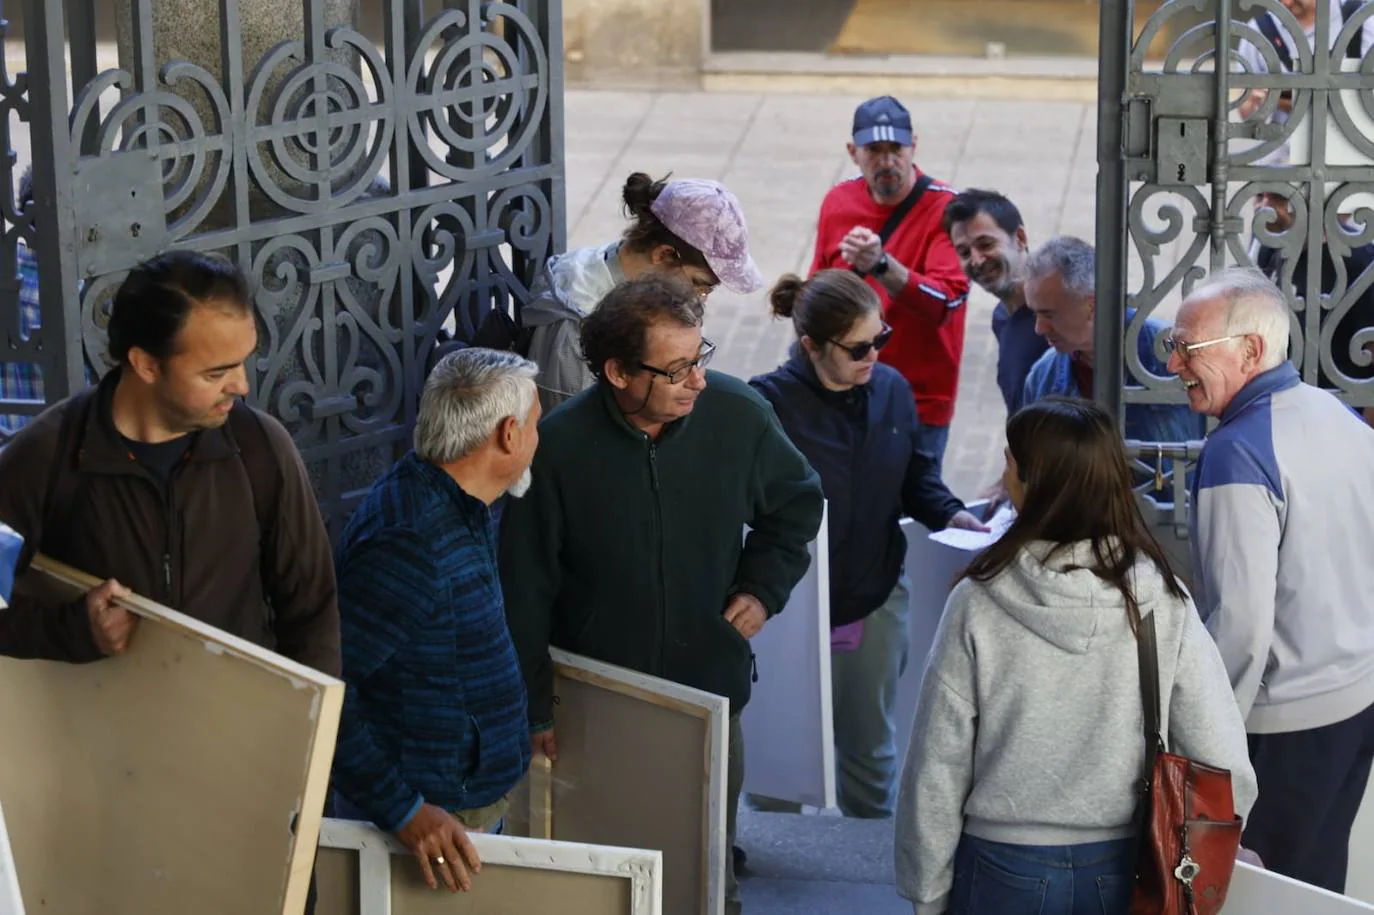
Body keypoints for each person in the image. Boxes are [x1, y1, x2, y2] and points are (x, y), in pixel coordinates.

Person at [500, 276, 824, 915]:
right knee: (601, 883)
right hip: (598, 705)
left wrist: (762, 590)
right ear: (618, 372)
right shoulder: (559, 446)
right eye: (676, 370)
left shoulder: (739, 414)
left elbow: (797, 503)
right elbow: (525, 584)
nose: (698, 382)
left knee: (705, 882)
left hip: (709, 697)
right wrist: (538, 709)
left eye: (700, 358)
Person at [895, 397, 1257, 915]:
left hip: (1001, 862)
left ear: (1036, 483)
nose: (1004, 475)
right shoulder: (1159, 599)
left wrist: (926, 888)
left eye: (1010, 462)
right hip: (1128, 860)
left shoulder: (978, 601)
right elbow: (1219, 751)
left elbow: (938, 759)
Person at [0, 249, 339, 675]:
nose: (243, 386)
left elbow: (313, 614)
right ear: (146, 364)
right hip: (98, 733)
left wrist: (307, 734)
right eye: (215, 374)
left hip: (235, 728)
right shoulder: (49, 454)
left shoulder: (261, 448)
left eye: (243, 362)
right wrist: (73, 631)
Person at [749, 269, 986, 820]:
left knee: (871, 750)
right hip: (785, 613)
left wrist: (951, 512)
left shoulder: (893, 390)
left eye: (881, 339)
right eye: (858, 347)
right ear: (811, 345)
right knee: (780, 755)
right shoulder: (766, 406)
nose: (874, 355)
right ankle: (772, 876)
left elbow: (916, 474)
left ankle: (870, 871)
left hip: (874, 598)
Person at [1169, 266, 1374, 893]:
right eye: (1171, 345)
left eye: (1187, 348)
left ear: (1250, 351)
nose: (1174, 364)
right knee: (1317, 886)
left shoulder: (1238, 450)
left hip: (1281, 724)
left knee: (1266, 894)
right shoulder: (1332, 413)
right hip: (1356, 699)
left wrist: (1204, 748)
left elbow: (1240, 625)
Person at [332, 348, 540, 894]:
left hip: (458, 804)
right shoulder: (410, 543)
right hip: (429, 829)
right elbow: (328, 685)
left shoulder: (454, 499)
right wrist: (403, 810)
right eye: (537, 424)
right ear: (510, 435)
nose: (542, 438)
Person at [809, 95, 969, 473]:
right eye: (874, 150)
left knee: (909, 516)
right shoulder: (837, 201)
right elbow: (817, 292)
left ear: (914, 145)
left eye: (896, 148)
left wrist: (881, 265)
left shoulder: (948, 210)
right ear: (853, 152)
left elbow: (944, 304)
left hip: (918, 402)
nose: (887, 161)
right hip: (842, 393)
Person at [522, 172, 764, 412]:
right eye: (698, 284)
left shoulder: (630, 271)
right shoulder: (574, 324)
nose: (700, 299)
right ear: (663, 255)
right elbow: (572, 429)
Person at [1021, 236, 1205, 495]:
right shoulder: (1042, 379)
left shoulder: (1174, 357)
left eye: (1049, 314)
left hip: (1169, 531)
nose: (1039, 328)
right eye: (1035, 313)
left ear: (1092, 305)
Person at [1249, 187, 1374, 423]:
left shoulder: (1361, 260)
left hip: (1338, 418)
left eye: (1278, 197)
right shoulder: (1267, 244)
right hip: (1279, 409)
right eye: (1258, 195)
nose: (1262, 206)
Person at [942, 188, 1048, 415]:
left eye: (986, 244)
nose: (977, 260)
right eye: (964, 252)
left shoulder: (1057, 310)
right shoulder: (1001, 317)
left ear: (1019, 238)